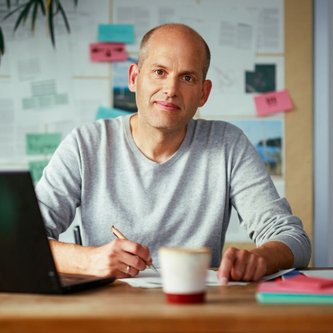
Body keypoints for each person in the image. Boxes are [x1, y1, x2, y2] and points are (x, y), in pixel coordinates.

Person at [36, 23, 311, 284]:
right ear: (134, 78)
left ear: (203, 93)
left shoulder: (228, 143)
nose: (170, 90)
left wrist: (259, 259)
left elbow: (293, 239)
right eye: (159, 72)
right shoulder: (85, 144)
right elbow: (17, 241)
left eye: (187, 78)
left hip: (196, 309)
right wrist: (89, 260)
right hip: (107, 309)